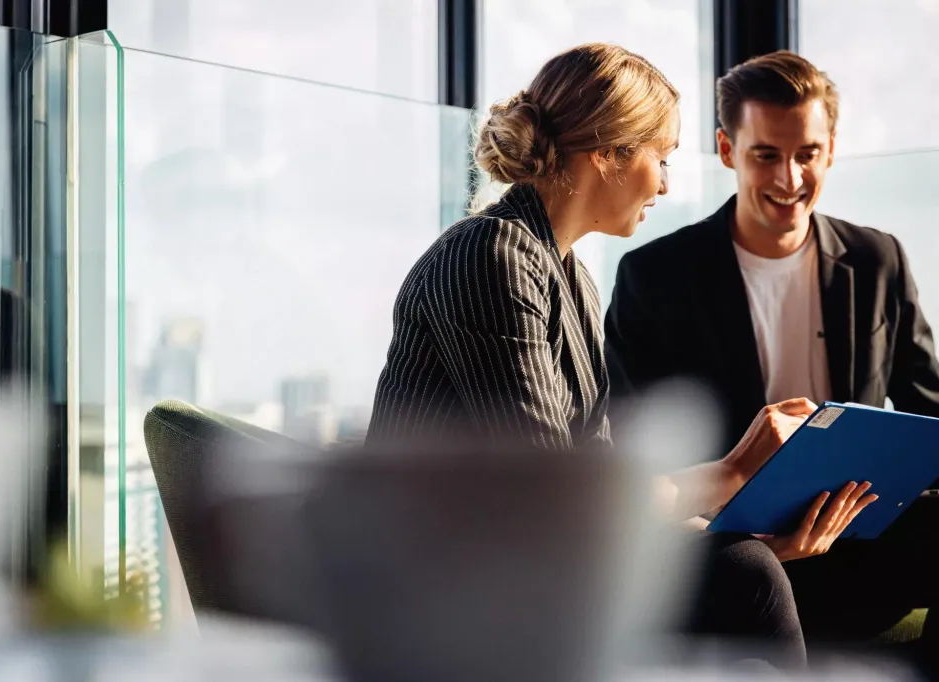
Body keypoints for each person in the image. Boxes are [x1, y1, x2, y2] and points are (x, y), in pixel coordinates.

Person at [366, 43, 875, 669]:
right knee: (745, 575)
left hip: (532, 567)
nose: (665, 183)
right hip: (444, 585)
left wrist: (747, 533)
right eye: (660, 157)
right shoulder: (491, 255)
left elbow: (603, 493)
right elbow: (565, 503)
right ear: (607, 153)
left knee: (747, 564)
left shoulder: (569, 277)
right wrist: (734, 471)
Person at [604, 50, 939, 662]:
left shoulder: (878, 259)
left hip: (860, 541)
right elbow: (637, 448)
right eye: (766, 155)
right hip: (737, 555)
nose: (789, 178)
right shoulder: (655, 276)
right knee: (744, 569)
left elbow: (929, 410)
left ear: (830, 150)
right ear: (727, 150)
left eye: (807, 154)